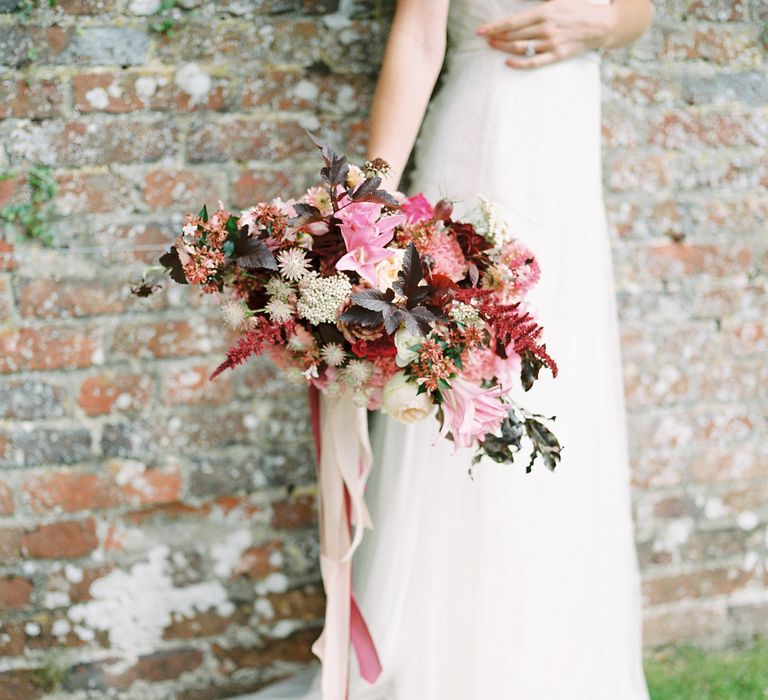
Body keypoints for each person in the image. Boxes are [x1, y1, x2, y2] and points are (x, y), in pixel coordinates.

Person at [248, 0, 654, 697]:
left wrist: (603, 26)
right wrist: (366, 208)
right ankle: (450, 665)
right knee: (466, 395)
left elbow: (636, 11)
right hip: (489, 149)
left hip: (566, 168)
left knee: (562, 394)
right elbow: (420, 32)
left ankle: (558, 662)